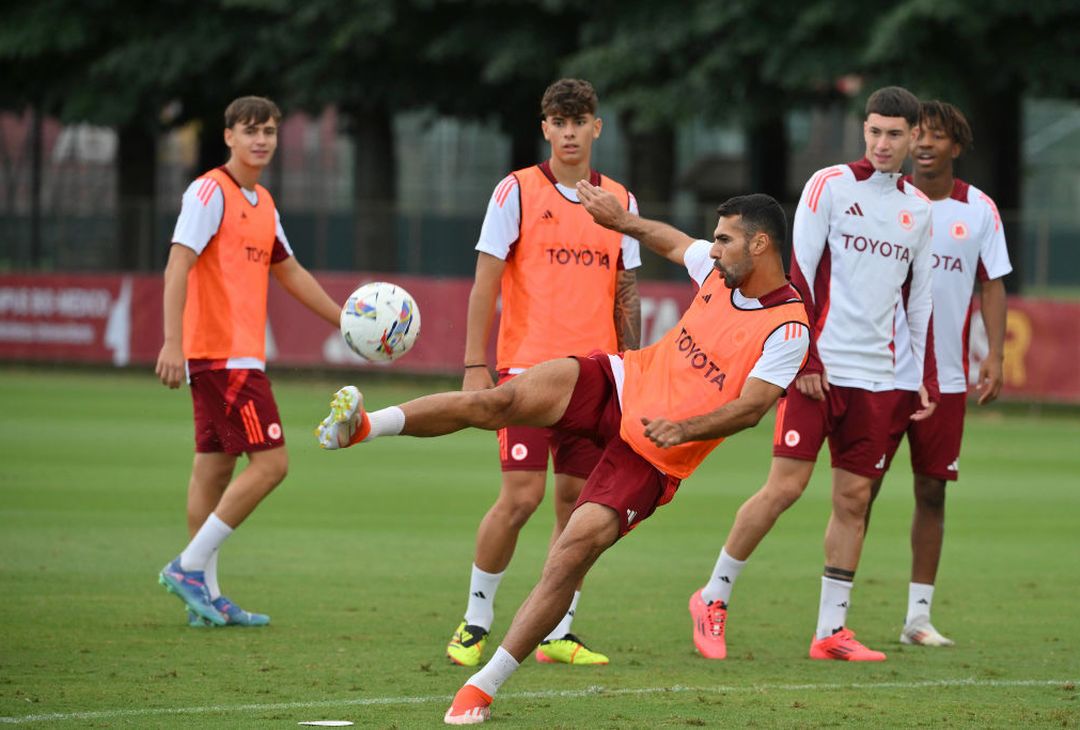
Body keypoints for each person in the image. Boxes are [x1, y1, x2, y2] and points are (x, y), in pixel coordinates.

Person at [316, 192, 810, 725]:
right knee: (501, 401)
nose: (711, 251)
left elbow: (753, 407)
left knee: (570, 554)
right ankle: (364, 426)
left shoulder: (788, 327)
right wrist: (621, 221)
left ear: (760, 244)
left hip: (654, 455)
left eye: (723, 240)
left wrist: (684, 428)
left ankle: (481, 687)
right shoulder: (718, 273)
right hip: (621, 383)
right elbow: (670, 240)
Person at [688, 86, 936, 663]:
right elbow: (798, 271)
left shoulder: (919, 210)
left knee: (854, 499)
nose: (882, 142)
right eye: (874, 130)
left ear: (913, 138)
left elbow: (918, 300)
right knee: (785, 488)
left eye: (895, 134)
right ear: (863, 130)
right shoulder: (829, 185)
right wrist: (807, 358)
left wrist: (920, 373)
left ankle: (830, 632)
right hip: (817, 369)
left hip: (881, 378)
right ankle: (713, 595)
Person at [443, 78, 642, 668]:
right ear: (546, 128)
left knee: (580, 506)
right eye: (560, 121)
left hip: (594, 378)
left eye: (581, 121)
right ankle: (476, 620)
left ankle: (559, 632)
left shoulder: (620, 201)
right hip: (527, 375)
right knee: (520, 498)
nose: (571, 131)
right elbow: (485, 282)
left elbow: (624, 292)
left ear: (596, 128)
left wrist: (633, 373)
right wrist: (476, 365)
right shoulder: (517, 191)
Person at [155, 96, 342, 627]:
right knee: (273, 464)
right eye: (250, 130)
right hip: (224, 356)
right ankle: (189, 568)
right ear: (228, 136)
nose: (261, 139)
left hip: (231, 356)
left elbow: (291, 272)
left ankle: (205, 598)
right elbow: (177, 265)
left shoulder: (262, 202)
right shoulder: (209, 190)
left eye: (270, 131)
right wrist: (173, 342)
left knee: (213, 471)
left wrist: (344, 323)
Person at [868, 100, 1011, 647]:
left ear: (957, 145)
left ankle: (917, 619)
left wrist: (993, 356)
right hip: (880, 373)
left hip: (947, 380)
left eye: (936, 136)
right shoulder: (878, 201)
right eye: (918, 135)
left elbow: (992, 283)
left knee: (932, 492)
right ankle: (836, 614)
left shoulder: (980, 211)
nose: (924, 144)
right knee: (863, 491)